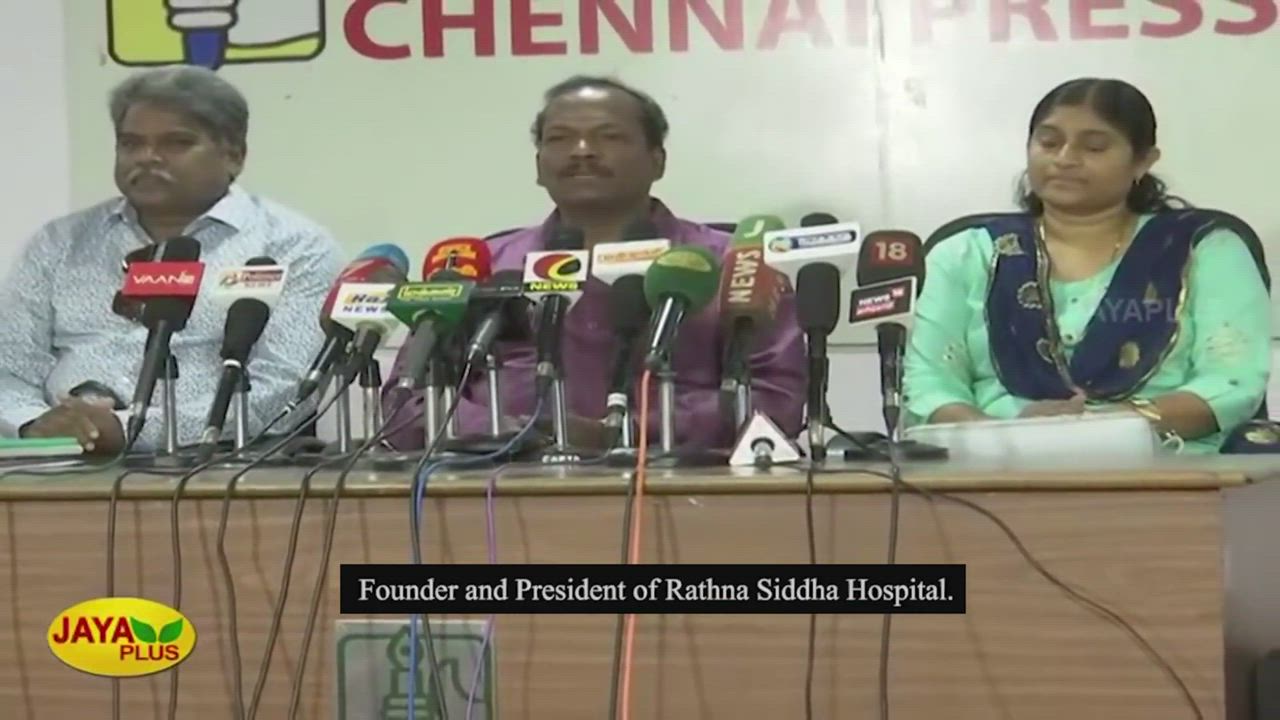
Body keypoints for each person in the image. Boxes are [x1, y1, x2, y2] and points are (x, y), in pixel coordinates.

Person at [382, 75, 807, 451]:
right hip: (496, 488)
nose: (582, 151)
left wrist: (622, 432)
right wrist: (509, 430)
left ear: (658, 160)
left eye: (609, 137)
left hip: (679, 489)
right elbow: (405, 402)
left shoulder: (734, 263)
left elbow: (776, 402)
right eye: (560, 139)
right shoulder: (484, 266)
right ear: (538, 165)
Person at [903, 77, 1270, 454]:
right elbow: (929, 387)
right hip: (993, 468)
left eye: (1093, 147)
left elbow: (1232, 383)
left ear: (1143, 161)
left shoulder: (1205, 249)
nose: (1065, 158)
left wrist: (1107, 428)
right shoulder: (965, 254)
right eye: (1049, 143)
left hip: (1173, 468)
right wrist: (1006, 439)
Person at [0, 66, 343, 454]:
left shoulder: (295, 246)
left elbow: (287, 388)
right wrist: (34, 424)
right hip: (58, 460)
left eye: (177, 143)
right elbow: (9, 367)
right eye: (131, 144)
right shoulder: (59, 243)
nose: (148, 158)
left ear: (234, 155)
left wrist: (129, 430)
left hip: (220, 462)